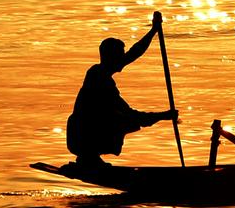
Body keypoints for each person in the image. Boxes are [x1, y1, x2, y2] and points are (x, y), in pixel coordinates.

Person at [66, 12, 177, 163]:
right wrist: (163, 116)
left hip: (79, 136)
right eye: (120, 55)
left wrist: (153, 30)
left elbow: (134, 53)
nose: (124, 59)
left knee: (122, 119)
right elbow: (132, 115)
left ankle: (91, 156)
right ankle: (89, 155)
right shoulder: (99, 80)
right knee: (124, 120)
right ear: (111, 57)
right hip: (80, 138)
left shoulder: (101, 71)